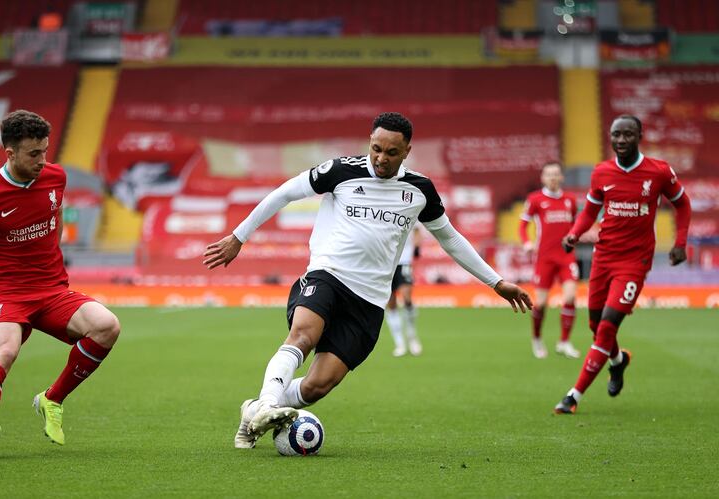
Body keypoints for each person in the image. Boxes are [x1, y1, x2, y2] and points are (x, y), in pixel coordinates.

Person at [203, 112, 533, 448]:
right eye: (376, 148)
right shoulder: (341, 171)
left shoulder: (419, 189)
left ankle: (255, 410)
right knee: (303, 335)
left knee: (319, 385)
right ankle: (268, 404)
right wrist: (238, 237)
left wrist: (495, 282)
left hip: (370, 300)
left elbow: (449, 238)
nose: (380, 158)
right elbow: (285, 193)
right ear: (369, 143)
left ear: (406, 151)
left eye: (391, 152)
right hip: (327, 274)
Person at [0, 110, 121, 457]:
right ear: (10, 153)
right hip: (8, 293)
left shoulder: (56, 177)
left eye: (45, 151)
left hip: (53, 290)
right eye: (33, 154)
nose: (43, 160)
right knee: (5, 350)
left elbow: (49, 223)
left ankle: (51, 400)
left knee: (107, 326)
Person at [554, 115, 691, 414]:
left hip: (634, 262)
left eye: (627, 134)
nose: (621, 140)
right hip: (604, 257)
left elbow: (682, 203)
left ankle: (573, 396)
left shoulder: (658, 172)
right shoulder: (602, 172)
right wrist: (575, 233)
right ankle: (618, 361)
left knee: (605, 327)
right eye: (616, 134)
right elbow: (590, 210)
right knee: (594, 325)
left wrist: (680, 242)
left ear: (639, 135)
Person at [519, 162, 580, 359]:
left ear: (561, 177)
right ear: (543, 178)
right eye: (549, 174)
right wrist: (527, 243)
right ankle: (536, 338)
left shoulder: (570, 200)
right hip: (544, 257)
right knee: (541, 303)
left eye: (556, 174)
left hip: (566, 256)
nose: (553, 178)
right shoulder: (535, 199)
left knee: (570, 297)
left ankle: (564, 342)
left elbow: (575, 225)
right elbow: (522, 226)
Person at [385, 226, 422, 357]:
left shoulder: (410, 205)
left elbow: (417, 229)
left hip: (404, 261)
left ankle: (412, 337)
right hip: (386, 263)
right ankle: (400, 343)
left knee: (407, 298)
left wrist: (417, 246)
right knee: (391, 303)